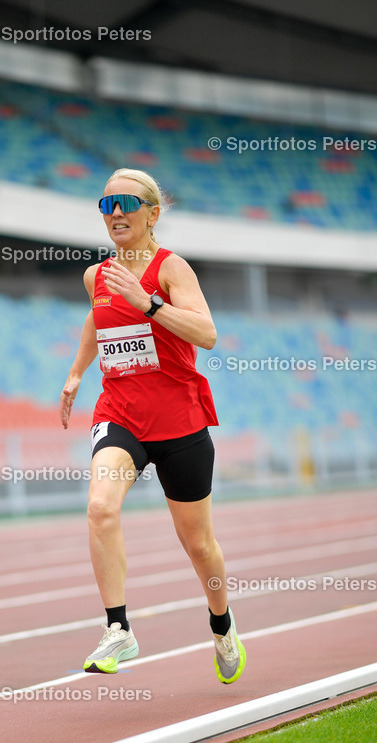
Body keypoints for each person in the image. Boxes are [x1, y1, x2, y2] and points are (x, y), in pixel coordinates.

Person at [59, 168, 246, 684]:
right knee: (100, 508)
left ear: (152, 213)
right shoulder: (96, 276)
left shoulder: (170, 268)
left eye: (127, 203)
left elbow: (206, 333)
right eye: (106, 203)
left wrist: (150, 303)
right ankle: (118, 628)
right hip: (120, 414)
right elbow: (98, 322)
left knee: (198, 544)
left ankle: (222, 625)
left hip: (180, 423)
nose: (115, 212)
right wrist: (76, 372)